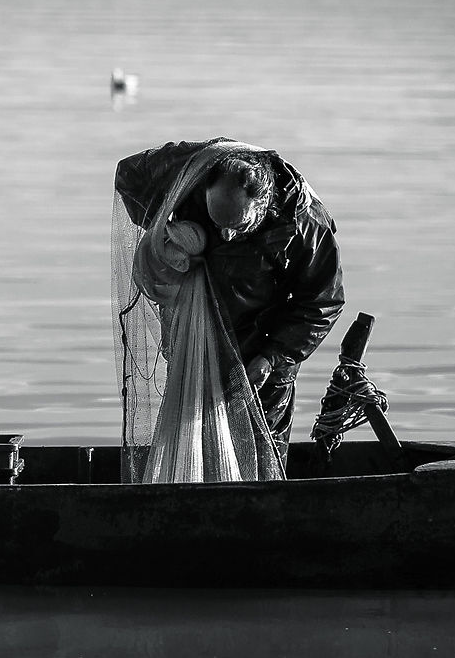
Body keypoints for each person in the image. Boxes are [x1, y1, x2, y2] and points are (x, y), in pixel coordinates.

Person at [115, 141, 343, 450]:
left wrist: (273, 356)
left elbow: (321, 302)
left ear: (263, 205)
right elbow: (128, 175)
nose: (225, 235)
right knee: (192, 448)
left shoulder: (305, 224)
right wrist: (171, 231)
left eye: (238, 226)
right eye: (216, 223)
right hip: (195, 337)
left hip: (262, 354)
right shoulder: (194, 172)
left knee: (259, 452)